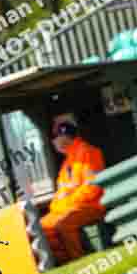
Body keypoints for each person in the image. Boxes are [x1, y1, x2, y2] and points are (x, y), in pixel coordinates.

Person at [39, 113, 107, 264]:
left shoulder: (88, 152)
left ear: (64, 137)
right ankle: (59, 264)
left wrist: (67, 203)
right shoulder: (67, 162)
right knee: (41, 227)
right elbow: (60, 195)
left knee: (63, 223)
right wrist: (60, 206)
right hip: (71, 208)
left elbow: (93, 189)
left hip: (92, 206)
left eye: (55, 137)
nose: (53, 142)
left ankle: (80, 262)